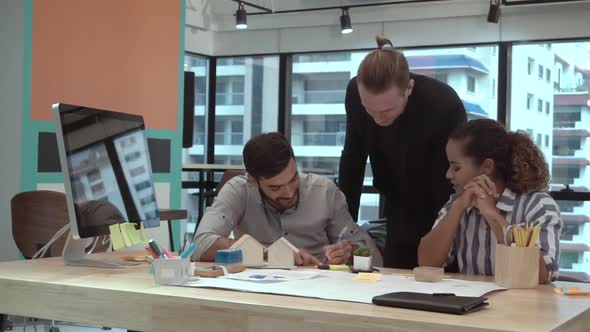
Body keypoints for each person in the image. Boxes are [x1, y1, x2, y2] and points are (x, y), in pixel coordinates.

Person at [339, 36, 467, 268]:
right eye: (370, 110)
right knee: (395, 277)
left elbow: (454, 173)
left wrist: (444, 230)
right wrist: (346, 228)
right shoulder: (354, 93)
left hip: (438, 201)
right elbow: (353, 158)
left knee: (439, 278)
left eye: (387, 110)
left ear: (409, 88)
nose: (378, 119)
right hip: (395, 203)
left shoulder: (442, 104)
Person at [193, 132, 382, 266]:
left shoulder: (324, 192)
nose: (289, 192)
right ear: (252, 180)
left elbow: (372, 255)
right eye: (275, 187)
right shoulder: (239, 190)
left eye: (293, 179)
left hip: (319, 289)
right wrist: (272, 252)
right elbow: (200, 245)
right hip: (258, 291)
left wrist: (349, 253)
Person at [417, 119, 562, 282]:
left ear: (486, 167)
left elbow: (542, 274)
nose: (448, 174)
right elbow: (426, 263)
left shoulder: (538, 205)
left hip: (525, 305)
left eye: (456, 167)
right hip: (472, 303)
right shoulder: (458, 202)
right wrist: (456, 209)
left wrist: (492, 215)